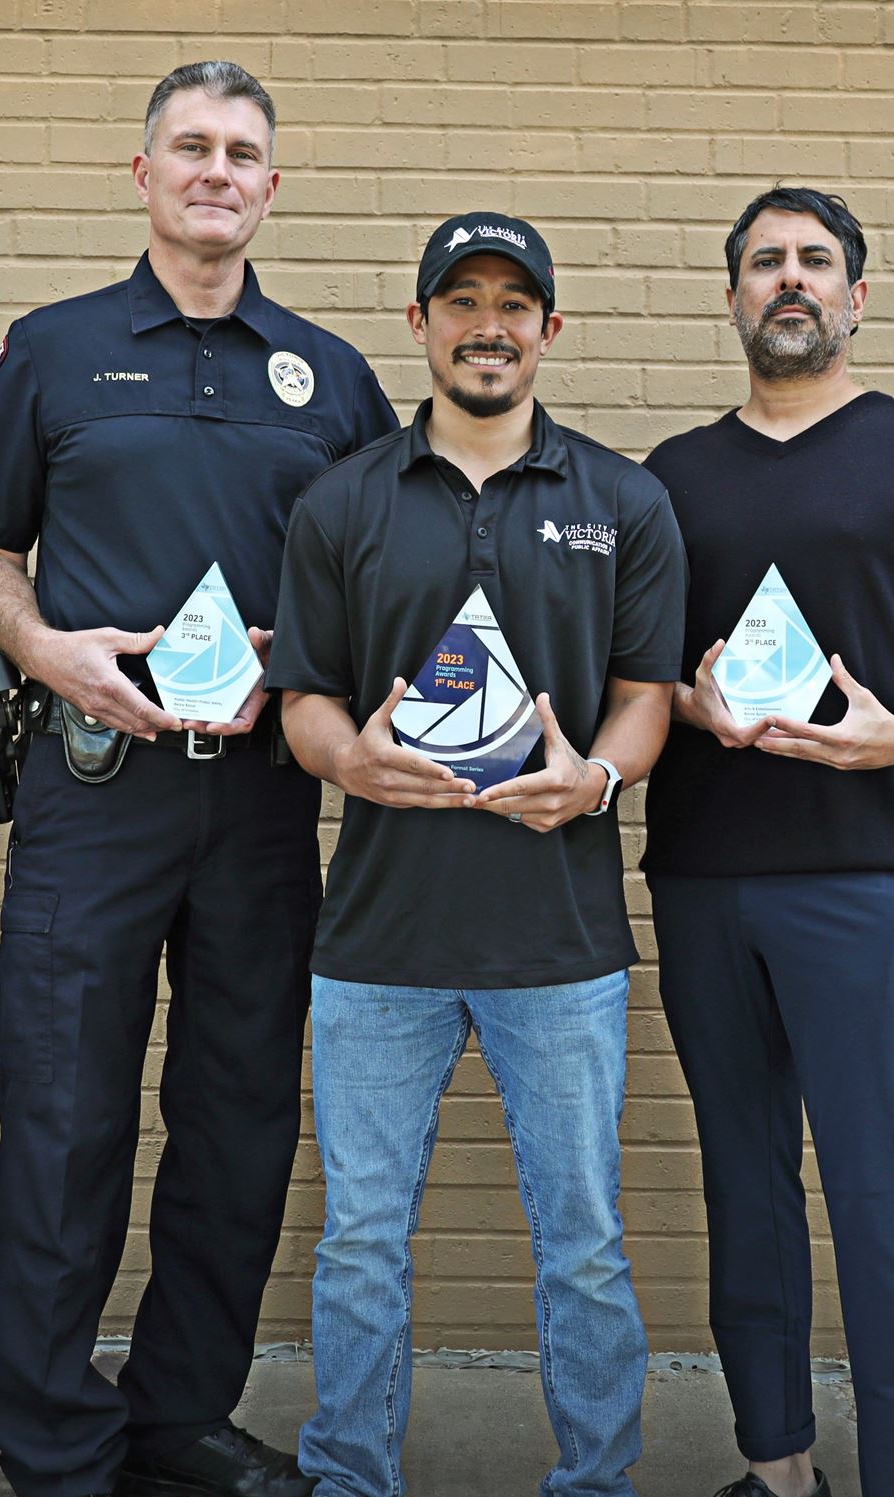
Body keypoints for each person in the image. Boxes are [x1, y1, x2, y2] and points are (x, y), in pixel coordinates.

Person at [0, 60, 394, 1497]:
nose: (216, 169)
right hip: (93, 789)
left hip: (262, 798)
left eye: (242, 151)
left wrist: (314, 654)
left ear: (271, 185)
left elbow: (389, 572)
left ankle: (182, 1411)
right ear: (142, 175)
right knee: (66, 1114)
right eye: (189, 146)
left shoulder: (330, 375)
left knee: (240, 1110)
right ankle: (52, 1433)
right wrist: (54, 654)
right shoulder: (54, 350)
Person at [641, 186, 894, 1497]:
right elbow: (636, 668)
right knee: (745, 1190)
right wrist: (684, 701)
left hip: (862, 871)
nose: (790, 279)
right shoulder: (674, 476)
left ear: (859, 296)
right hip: (704, 872)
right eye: (764, 261)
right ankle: (778, 1470)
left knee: (879, 1197)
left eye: (816, 260)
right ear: (733, 298)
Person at [270, 212, 685, 1497]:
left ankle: (595, 1481)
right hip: (376, 944)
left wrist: (598, 776)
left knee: (583, 1248)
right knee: (357, 1246)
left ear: (549, 331)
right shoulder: (341, 500)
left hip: (559, 945)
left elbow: (647, 692)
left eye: (515, 303)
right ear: (420, 325)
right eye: (462, 301)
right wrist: (347, 759)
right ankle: (350, 1476)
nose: (488, 324)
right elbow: (301, 699)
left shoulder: (625, 499)